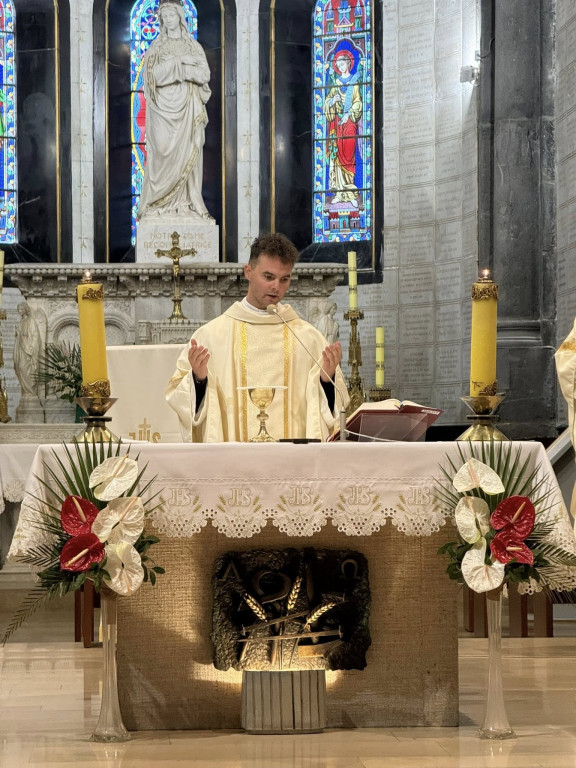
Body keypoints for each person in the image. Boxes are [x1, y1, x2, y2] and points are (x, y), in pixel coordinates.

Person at [166, 233, 348, 442]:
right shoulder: (211, 337)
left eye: (284, 279)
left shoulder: (308, 339)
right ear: (248, 271)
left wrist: (327, 381)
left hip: (294, 465)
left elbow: (333, 410)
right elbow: (178, 396)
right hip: (233, 465)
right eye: (268, 277)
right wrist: (199, 380)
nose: (276, 287)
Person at [138, 0, 212, 221]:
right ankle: (159, 204)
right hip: (163, 110)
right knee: (161, 151)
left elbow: (204, 75)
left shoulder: (193, 47)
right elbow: (152, 78)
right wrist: (180, 64)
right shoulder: (156, 48)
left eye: (171, 15)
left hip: (188, 108)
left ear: (180, 16)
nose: (168, 20)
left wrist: (185, 70)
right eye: (164, 17)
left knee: (191, 150)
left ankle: (189, 203)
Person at [324, 45, 362, 206]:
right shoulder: (335, 83)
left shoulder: (355, 82)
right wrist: (333, 101)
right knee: (337, 156)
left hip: (349, 124)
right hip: (337, 125)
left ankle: (351, 192)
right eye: (338, 66)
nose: (340, 67)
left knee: (349, 154)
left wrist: (349, 114)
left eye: (342, 64)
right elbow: (327, 103)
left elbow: (358, 102)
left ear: (348, 64)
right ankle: (340, 192)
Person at [14, 302, 41, 397]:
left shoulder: (31, 321)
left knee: (24, 368)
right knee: (19, 368)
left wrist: (32, 347)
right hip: (20, 348)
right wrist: (17, 332)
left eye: (21, 309)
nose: (20, 311)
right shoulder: (20, 322)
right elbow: (18, 336)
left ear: (25, 309)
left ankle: (31, 391)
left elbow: (35, 335)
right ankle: (26, 392)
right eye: (19, 310)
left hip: (28, 349)